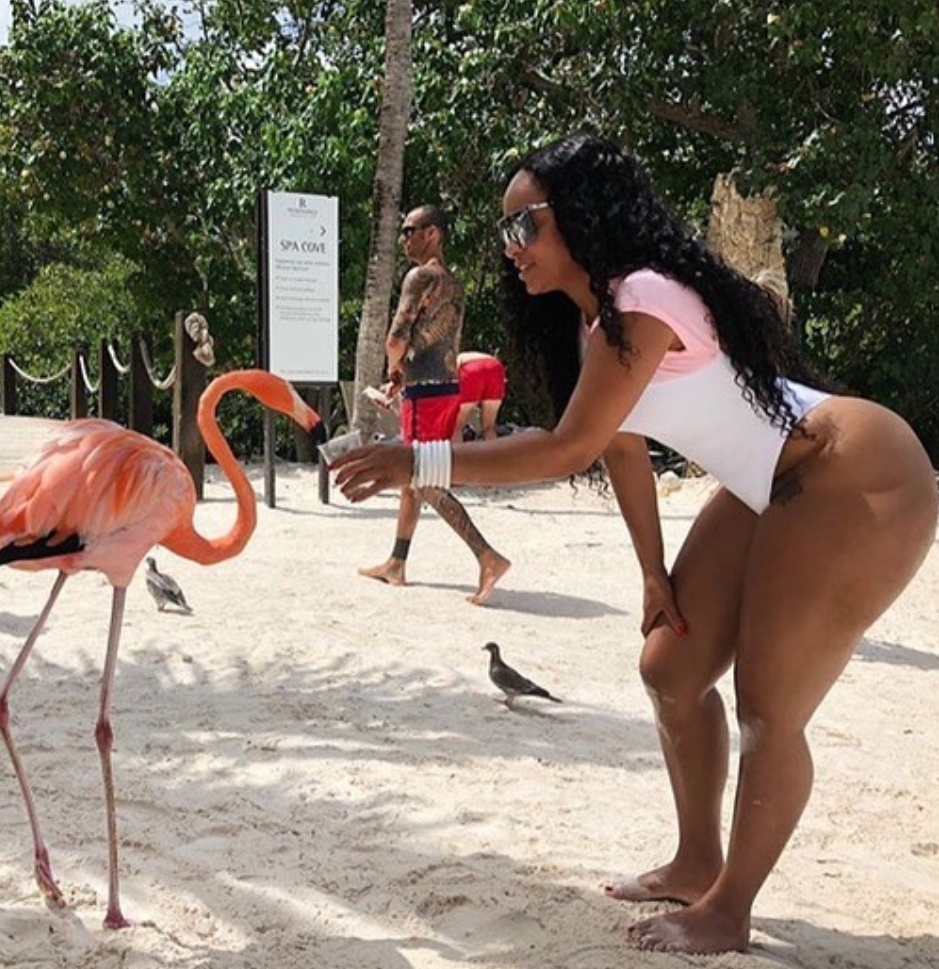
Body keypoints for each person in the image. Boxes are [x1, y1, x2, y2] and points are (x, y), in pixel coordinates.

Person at [332, 135, 938, 954]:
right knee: (670, 668)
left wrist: (417, 459)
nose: (511, 247)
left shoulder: (643, 296)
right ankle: (696, 859)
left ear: (582, 216)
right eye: (505, 230)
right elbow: (620, 451)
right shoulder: (594, 325)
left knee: (768, 705)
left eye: (525, 225)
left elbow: (567, 448)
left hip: (857, 471)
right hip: (764, 484)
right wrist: (652, 573)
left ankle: (728, 908)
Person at [358, 204, 510, 605]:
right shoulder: (453, 283)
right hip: (447, 388)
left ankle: (487, 556)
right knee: (415, 480)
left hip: (424, 393)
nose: (403, 238)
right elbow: (440, 339)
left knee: (423, 478)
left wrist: (393, 369)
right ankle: (397, 562)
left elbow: (396, 338)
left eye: (410, 230)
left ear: (433, 233)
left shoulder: (419, 277)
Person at [454, 350, 507, 442]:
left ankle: (458, 450)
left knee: (456, 428)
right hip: (495, 367)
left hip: (472, 368)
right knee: (489, 427)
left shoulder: (456, 358)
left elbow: (452, 375)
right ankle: (492, 450)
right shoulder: (466, 355)